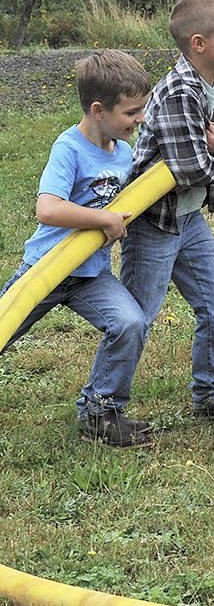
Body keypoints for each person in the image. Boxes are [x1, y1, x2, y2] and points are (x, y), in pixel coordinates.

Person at [120, 0, 214, 419]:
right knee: (136, 317)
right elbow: (193, 169)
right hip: (154, 221)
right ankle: (102, 405)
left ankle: (212, 396)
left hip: (188, 219)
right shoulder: (180, 92)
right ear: (198, 44)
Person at [0, 51, 152, 446]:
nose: (140, 120)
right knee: (3, 331)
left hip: (90, 274)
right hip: (46, 270)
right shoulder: (68, 148)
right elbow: (47, 208)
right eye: (132, 112)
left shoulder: (123, 151)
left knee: (130, 324)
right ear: (99, 109)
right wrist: (103, 220)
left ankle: (101, 414)